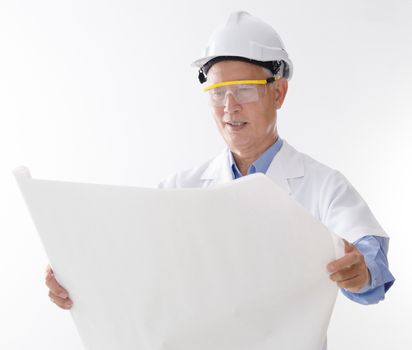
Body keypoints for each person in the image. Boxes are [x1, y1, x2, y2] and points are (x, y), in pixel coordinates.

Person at [46, 9, 395, 340]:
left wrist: (361, 271)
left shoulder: (322, 186)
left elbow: (369, 255)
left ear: (279, 92)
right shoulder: (180, 191)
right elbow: (128, 256)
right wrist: (75, 277)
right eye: (217, 93)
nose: (229, 107)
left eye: (243, 89)